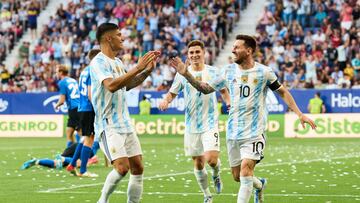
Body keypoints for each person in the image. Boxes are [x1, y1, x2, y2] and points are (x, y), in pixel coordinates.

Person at [169, 34, 317, 203]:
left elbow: (282, 91)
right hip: (233, 132)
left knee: (246, 171)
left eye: (237, 47)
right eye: (233, 47)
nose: (233, 50)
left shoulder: (264, 72)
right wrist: (186, 74)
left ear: (248, 51)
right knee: (238, 176)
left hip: (255, 131)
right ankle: (260, 185)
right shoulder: (227, 71)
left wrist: (299, 114)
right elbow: (205, 88)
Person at [90, 23, 160, 203]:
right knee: (122, 168)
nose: (122, 38)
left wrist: (146, 71)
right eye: (119, 35)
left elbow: (126, 85)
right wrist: (137, 67)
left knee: (138, 168)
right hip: (108, 125)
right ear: (108, 38)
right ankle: (102, 200)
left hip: (125, 123)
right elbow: (112, 86)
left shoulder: (118, 62)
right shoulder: (98, 62)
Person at [159, 40, 230, 203]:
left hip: (210, 123)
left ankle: (216, 174)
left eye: (197, 52)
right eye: (191, 53)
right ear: (188, 56)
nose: (194, 55)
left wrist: (228, 103)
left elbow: (224, 91)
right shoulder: (182, 74)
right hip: (192, 125)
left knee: (211, 160)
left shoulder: (213, 71)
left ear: (204, 53)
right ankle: (207, 195)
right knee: (198, 164)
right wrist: (166, 101)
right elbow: (172, 93)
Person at [66, 49, 101, 178]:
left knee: (85, 137)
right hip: (88, 108)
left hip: (81, 108)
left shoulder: (84, 71)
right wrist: (97, 108)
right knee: (90, 138)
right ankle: (83, 170)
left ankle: (73, 163)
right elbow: (90, 93)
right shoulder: (93, 71)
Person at [55, 65, 81, 148]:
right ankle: (72, 153)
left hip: (74, 108)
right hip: (79, 107)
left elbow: (62, 100)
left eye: (57, 72)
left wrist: (57, 105)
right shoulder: (73, 80)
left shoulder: (62, 82)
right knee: (69, 132)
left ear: (61, 72)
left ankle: (87, 153)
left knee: (80, 133)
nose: (56, 74)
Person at [20, 143, 98, 170]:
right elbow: (94, 160)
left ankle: (37, 161)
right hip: (77, 149)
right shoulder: (91, 150)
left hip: (73, 149)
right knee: (79, 164)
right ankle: (63, 159)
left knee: (55, 164)